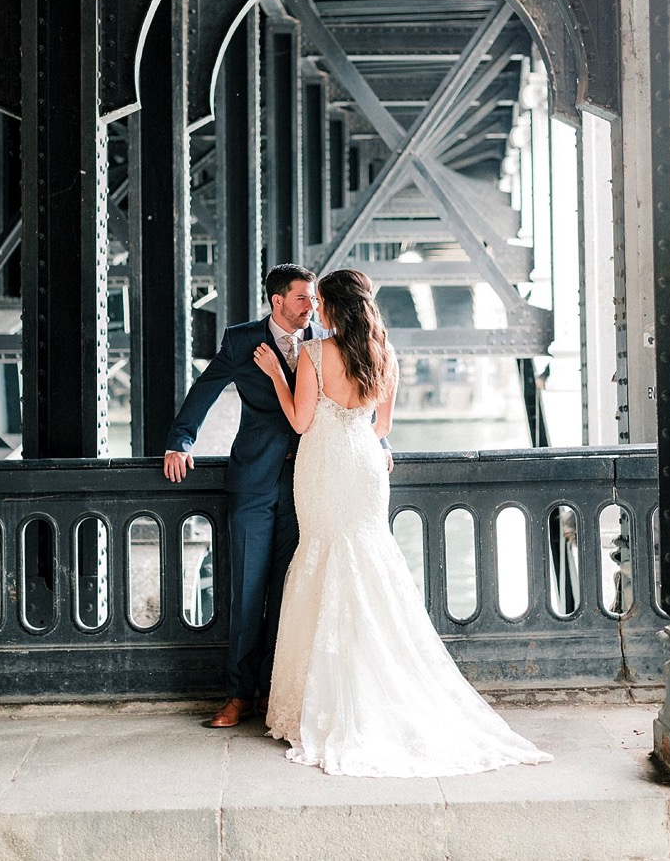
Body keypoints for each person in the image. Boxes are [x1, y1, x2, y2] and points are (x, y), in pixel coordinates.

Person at [252, 268, 550, 777]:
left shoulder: (311, 354)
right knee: (369, 559)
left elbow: (301, 422)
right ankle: (378, 685)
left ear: (333, 307)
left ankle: (320, 700)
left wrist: (277, 377)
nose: (316, 309)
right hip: (365, 463)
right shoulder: (384, 356)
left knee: (321, 557)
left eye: (320, 302)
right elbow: (382, 426)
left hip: (323, 463)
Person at [164, 263, 323, 729]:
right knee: (246, 591)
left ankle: (278, 694)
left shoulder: (325, 340)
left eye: (313, 299)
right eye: (301, 298)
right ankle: (238, 696)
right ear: (277, 300)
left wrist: (380, 443)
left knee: (290, 592)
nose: (310, 307)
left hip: (308, 483)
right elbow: (206, 388)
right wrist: (181, 440)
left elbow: (353, 394)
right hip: (253, 479)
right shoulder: (241, 340)